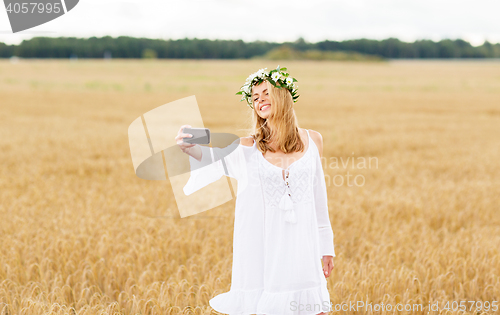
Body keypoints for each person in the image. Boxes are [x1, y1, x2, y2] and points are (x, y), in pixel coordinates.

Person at [175, 66, 335, 315]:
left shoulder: (313, 140)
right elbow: (212, 158)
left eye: (265, 93)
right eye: (255, 98)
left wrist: (326, 247)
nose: (259, 101)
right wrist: (190, 147)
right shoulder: (248, 147)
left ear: (282, 95)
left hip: (303, 246)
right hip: (266, 248)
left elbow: (319, 198)